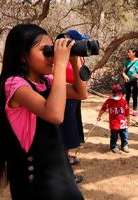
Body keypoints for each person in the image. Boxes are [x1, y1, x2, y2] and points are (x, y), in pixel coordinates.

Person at [0, 24, 86, 199]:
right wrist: (60, 64)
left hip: (60, 172)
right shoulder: (14, 84)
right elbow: (55, 114)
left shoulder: (47, 81)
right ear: (23, 56)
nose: (52, 56)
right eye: (46, 51)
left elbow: (80, 93)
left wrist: (74, 60)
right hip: (38, 183)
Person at [58, 30, 88, 166]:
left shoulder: (77, 56)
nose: (82, 44)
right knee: (65, 128)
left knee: (72, 126)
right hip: (65, 96)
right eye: (79, 41)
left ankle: (66, 155)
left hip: (75, 95)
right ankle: (63, 159)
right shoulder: (60, 57)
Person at [97, 84, 130, 153]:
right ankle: (113, 146)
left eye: (117, 93)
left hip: (123, 123)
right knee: (114, 136)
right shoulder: (109, 101)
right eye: (113, 92)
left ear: (122, 94)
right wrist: (99, 116)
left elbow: (127, 112)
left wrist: (128, 121)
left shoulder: (124, 102)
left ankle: (124, 145)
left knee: (124, 135)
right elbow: (103, 108)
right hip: (114, 123)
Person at [122, 48, 138, 116]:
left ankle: (134, 110)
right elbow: (123, 72)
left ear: (134, 53)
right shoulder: (127, 61)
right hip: (128, 80)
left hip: (136, 81)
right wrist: (125, 76)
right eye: (128, 52)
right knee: (127, 95)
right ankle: (126, 109)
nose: (128, 53)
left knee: (135, 95)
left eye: (129, 52)